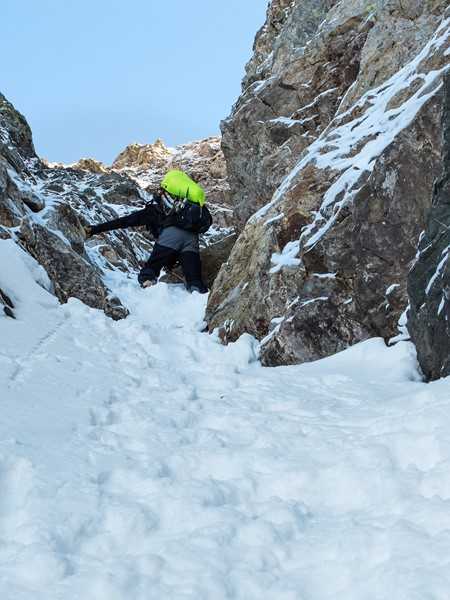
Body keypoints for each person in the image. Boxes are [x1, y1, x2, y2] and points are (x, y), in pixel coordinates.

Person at [85, 170, 212, 293]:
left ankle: (148, 283)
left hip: (171, 236)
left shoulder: (154, 210)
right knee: (194, 278)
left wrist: (96, 229)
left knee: (152, 266)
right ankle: (197, 294)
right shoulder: (187, 212)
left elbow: (125, 221)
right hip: (192, 238)